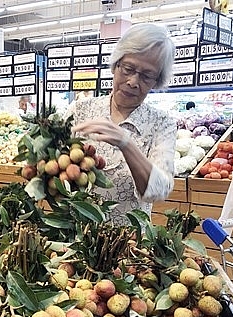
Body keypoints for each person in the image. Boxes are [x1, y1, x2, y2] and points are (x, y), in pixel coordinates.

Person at [68, 23, 177, 225]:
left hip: (129, 245)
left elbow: (160, 189)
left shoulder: (162, 124)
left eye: (146, 76)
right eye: (128, 69)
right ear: (116, 65)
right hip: (76, 239)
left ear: (157, 81)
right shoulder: (80, 110)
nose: (133, 82)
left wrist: (126, 143)